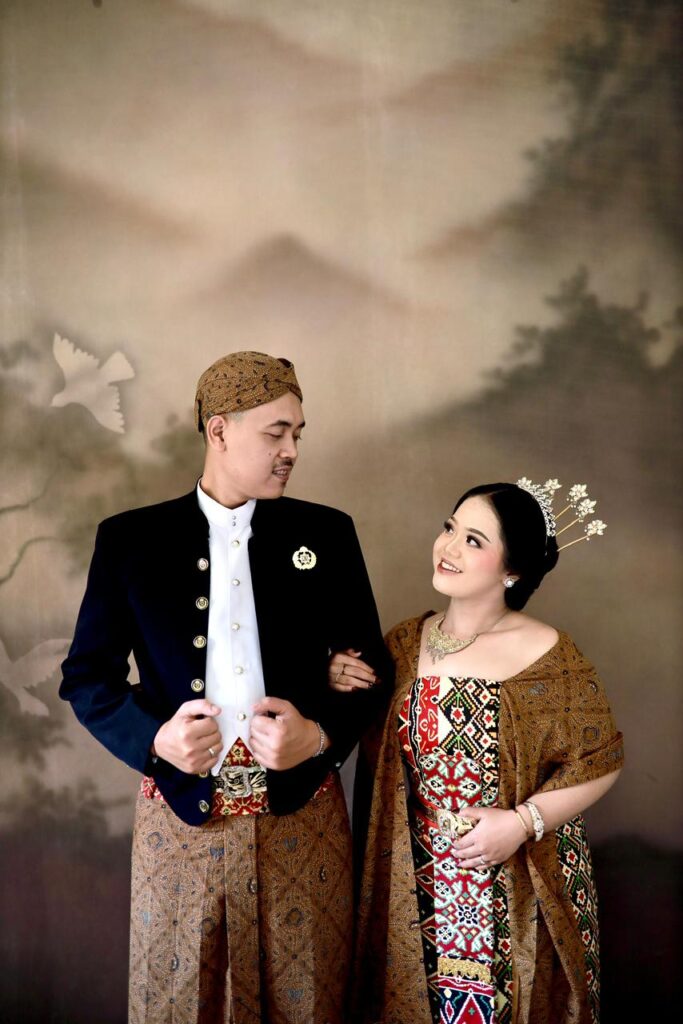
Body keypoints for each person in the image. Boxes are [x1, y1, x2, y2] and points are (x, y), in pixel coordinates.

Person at [60, 351, 391, 1024]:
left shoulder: (327, 533)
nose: (292, 450)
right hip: (181, 815)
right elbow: (87, 678)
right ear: (219, 431)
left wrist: (318, 734)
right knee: (181, 1005)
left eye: (298, 433)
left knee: (308, 1002)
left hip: (304, 817)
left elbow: (370, 671)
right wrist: (155, 739)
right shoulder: (130, 540)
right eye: (276, 433)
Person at [330, 480, 623, 1024]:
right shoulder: (402, 643)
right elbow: (356, 733)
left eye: (473, 540)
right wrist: (335, 676)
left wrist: (520, 823)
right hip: (415, 879)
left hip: (511, 877)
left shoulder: (549, 654)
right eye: (449, 528)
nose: (448, 547)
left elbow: (600, 761)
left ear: (513, 570)